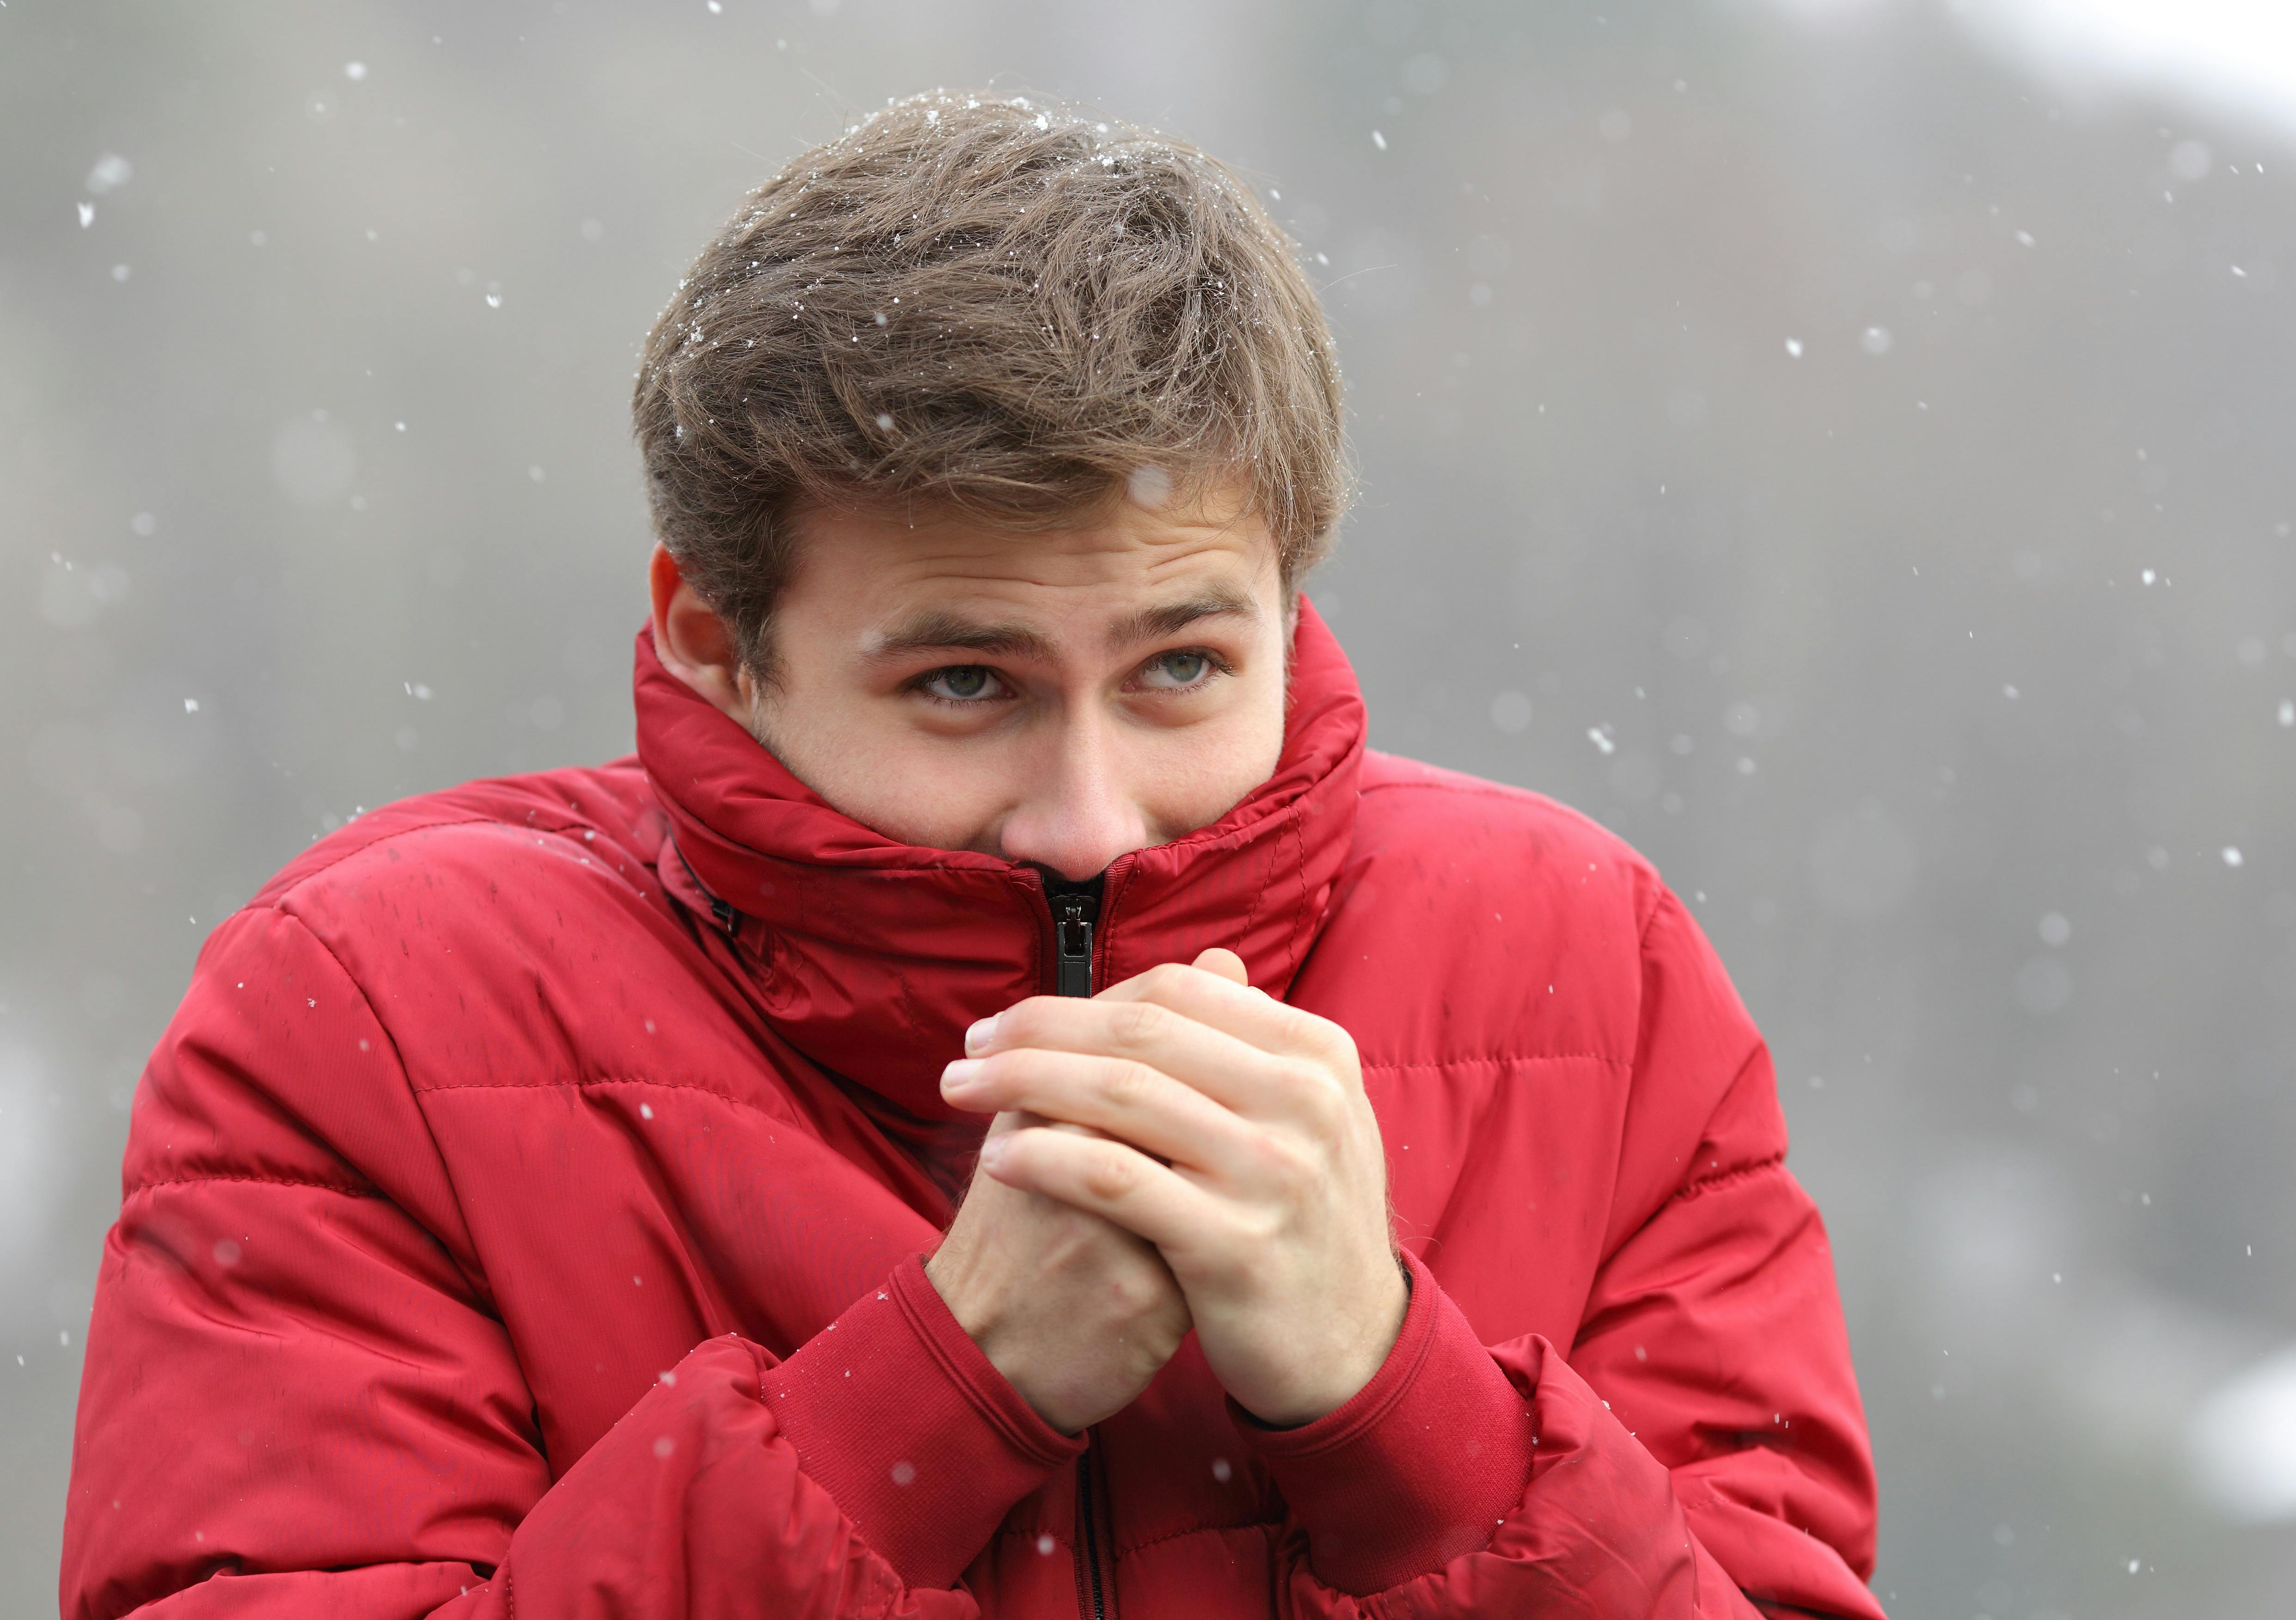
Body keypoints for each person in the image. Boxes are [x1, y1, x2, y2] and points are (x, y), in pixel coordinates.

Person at [61, 92, 1882, 1620]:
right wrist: (932, 1397)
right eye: (961, 682)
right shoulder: (365, 1014)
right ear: (714, 636)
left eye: (1181, 664)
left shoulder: (1590, 970)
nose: (1089, 813)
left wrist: (1400, 1405)